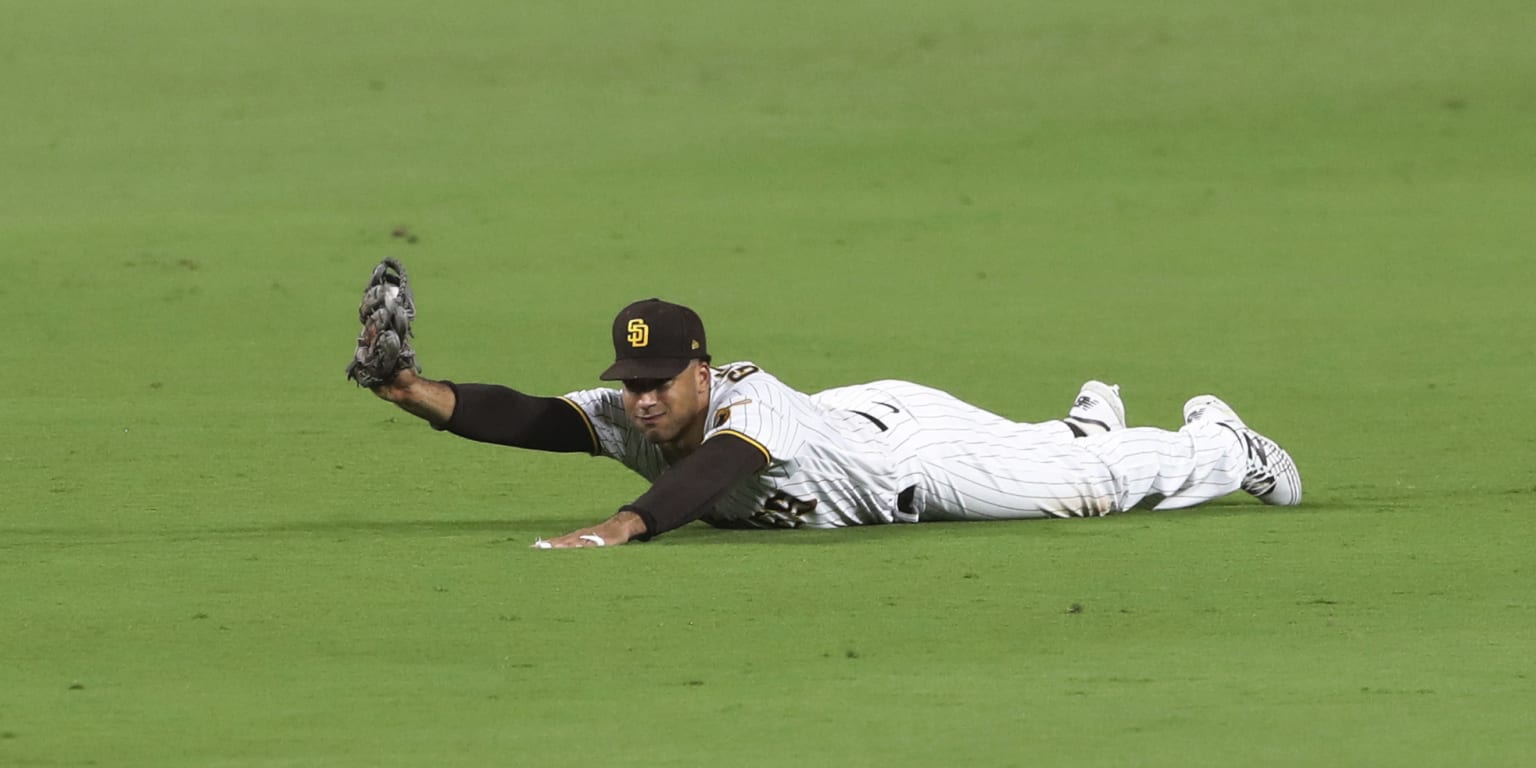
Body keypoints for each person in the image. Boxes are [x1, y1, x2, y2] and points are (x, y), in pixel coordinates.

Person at [351, 272, 1301, 549]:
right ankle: (1086, 424)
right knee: (1067, 457)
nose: (641, 401)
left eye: (660, 383)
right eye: (631, 384)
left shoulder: (747, 408)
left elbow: (717, 472)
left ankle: (1216, 440)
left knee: (1082, 496)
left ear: (703, 372)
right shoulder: (632, 410)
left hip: (909, 454)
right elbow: (529, 417)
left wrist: (623, 524)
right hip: (859, 421)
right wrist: (412, 392)